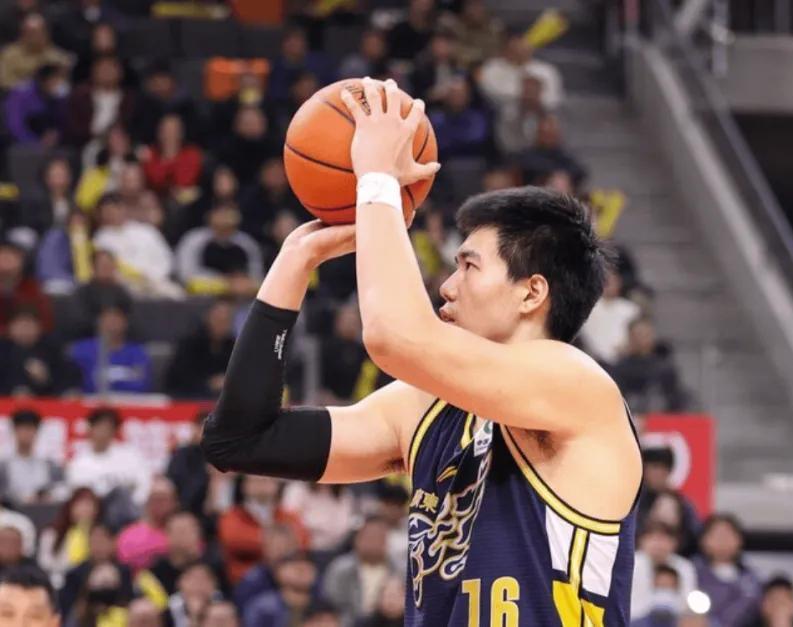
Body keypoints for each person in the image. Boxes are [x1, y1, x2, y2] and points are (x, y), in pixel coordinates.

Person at [202, 77, 642, 625]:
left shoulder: (577, 386)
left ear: (532, 293)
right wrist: (296, 260)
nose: (447, 287)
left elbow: (395, 337)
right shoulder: (423, 408)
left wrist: (377, 179)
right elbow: (239, 440)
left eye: (469, 266)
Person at [218, 475, 308, 585]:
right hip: (245, 578)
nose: (261, 484)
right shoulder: (232, 515)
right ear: (244, 485)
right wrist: (277, 541)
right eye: (255, 480)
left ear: (277, 485)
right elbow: (233, 540)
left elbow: (303, 540)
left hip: (287, 580)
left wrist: (269, 541)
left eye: (266, 480)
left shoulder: (288, 515)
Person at [92, 193, 180, 298]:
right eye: (107, 212)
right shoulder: (100, 239)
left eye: (115, 209)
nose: (112, 215)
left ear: (123, 209)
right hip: (123, 287)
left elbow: (165, 258)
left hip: (156, 282)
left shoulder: (146, 231)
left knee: (176, 294)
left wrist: (151, 277)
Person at [65, 407, 151, 507]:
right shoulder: (78, 463)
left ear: (115, 430)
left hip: (128, 510)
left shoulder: (131, 456)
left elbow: (144, 485)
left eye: (108, 428)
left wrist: (133, 505)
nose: (103, 433)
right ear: (90, 429)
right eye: (99, 427)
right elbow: (76, 495)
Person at [175, 203, 263, 296]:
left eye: (227, 214)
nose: (224, 219)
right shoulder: (194, 239)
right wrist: (225, 283)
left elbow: (256, 273)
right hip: (205, 293)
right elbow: (186, 275)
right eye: (220, 214)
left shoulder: (246, 242)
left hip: (243, 291)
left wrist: (244, 281)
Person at [323, 517, 394, 626]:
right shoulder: (340, 568)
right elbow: (331, 603)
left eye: (378, 537)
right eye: (369, 537)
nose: (373, 542)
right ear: (357, 540)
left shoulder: (398, 571)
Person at [693, 514, 762, 627]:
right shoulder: (692, 574)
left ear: (739, 540)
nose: (723, 540)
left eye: (728, 534)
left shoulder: (752, 580)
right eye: (717, 534)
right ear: (703, 541)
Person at [611, 317, 690, 413]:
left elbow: (675, 398)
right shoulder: (620, 369)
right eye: (638, 335)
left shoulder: (665, 368)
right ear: (630, 337)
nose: (641, 339)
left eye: (646, 334)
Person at [69, 304, 153, 394]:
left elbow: (140, 385)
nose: (111, 325)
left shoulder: (137, 352)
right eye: (107, 319)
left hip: (129, 400)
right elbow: (85, 383)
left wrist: (110, 379)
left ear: (125, 323)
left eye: (116, 320)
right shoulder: (81, 350)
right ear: (98, 322)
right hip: (91, 399)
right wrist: (124, 376)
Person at [59, 522, 134, 617]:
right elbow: (68, 609)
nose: (98, 546)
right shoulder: (75, 574)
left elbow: (127, 602)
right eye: (94, 541)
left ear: (113, 542)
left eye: (102, 541)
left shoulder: (124, 572)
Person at [164, 299, 235, 399]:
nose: (221, 325)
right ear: (208, 318)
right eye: (217, 319)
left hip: (218, 399)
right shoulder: (190, 342)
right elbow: (179, 377)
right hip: (185, 396)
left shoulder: (233, 346)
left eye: (225, 321)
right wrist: (209, 383)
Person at [0, 307, 79, 396]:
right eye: (20, 326)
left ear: (39, 327)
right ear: (9, 328)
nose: (24, 331)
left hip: (46, 400)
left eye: (28, 326)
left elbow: (69, 378)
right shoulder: (3, 350)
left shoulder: (52, 348)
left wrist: (46, 378)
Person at [631, 521, 697, 621]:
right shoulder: (632, 563)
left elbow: (687, 602)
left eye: (664, 539)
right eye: (653, 539)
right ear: (641, 541)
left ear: (675, 543)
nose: (658, 544)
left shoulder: (684, 567)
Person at [65, 54, 135, 147]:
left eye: (110, 69)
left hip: (121, 145)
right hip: (84, 144)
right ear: (93, 72)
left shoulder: (130, 98)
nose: (106, 73)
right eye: (102, 69)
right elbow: (72, 126)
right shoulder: (79, 97)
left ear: (120, 72)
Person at [37, 487, 101, 589]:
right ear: (70, 506)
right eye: (80, 505)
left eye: (89, 505)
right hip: (57, 582)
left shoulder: (100, 535)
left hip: (88, 585)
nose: (85, 510)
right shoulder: (52, 533)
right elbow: (44, 562)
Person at [0, 409, 64, 506]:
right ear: (14, 431)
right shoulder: (4, 466)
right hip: (13, 511)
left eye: (30, 429)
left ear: (37, 431)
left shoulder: (48, 464)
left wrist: (47, 495)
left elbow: (61, 489)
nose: (26, 433)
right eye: (21, 429)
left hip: (42, 510)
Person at [579, 267, 642, 366]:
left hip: (624, 358)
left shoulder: (631, 309)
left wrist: (626, 348)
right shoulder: (587, 308)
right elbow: (585, 336)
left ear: (620, 283)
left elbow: (636, 334)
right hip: (593, 360)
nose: (610, 286)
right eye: (607, 282)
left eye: (614, 282)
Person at [233, 523, 299, 613]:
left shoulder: (307, 577)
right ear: (265, 548)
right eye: (276, 547)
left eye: (287, 547)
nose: (282, 553)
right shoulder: (252, 581)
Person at [67, 249, 132, 339]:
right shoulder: (82, 293)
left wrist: (119, 324)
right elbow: (77, 321)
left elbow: (132, 318)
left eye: (109, 266)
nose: (107, 269)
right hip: (89, 338)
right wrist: (102, 323)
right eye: (103, 266)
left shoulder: (122, 293)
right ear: (93, 268)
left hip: (120, 340)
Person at [116, 476, 178, 573]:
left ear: (174, 503)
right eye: (155, 499)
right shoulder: (129, 534)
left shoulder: (184, 531)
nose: (159, 504)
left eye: (164, 499)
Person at [241, 554, 318, 627]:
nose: (303, 570)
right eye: (296, 567)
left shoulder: (320, 604)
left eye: (307, 566)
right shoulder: (264, 608)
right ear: (278, 572)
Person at [3, 62, 68, 146]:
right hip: (20, 142)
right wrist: (36, 143)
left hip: (49, 143)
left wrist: (56, 135)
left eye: (61, 79)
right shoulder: (20, 94)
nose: (58, 84)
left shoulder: (60, 96)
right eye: (55, 80)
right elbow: (15, 126)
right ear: (42, 80)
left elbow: (61, 123)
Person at [141, 113, 203, 199]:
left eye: (173, 130)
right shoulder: (150, 154)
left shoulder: (192, 154)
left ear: (181, 133)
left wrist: (165, 164)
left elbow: (183, 181)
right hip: (154, 202)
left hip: (186, 204)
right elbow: (153, 179)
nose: (168, 134)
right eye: (164, 130)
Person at [0, 13, 70, 90]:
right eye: (29, 32)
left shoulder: (57, 57)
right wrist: (27, 86)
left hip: (47, 95)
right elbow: (4, 81)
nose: (33, 37)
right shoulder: (9, 55)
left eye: (37, 32)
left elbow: (63, 85)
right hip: (17, 94)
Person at [0, 239, 54, 336]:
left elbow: (46, 321)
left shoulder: (32, 288)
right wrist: (8, 331)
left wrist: (34, 328)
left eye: (10, 258)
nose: (6, 263)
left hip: (32, 340)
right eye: (2, 257)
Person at [166, 411, 211, 516]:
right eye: (201, 427)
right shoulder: (182, 455)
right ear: (194, 428)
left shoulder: (222, 456)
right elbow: (180, 488)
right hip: (184, 511)